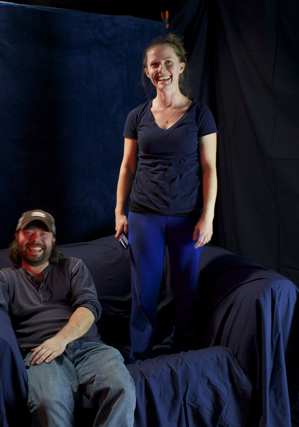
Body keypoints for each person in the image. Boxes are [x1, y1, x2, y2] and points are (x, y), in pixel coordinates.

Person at [0, 209, 135, 427]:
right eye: (28, 232)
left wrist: (60, 340)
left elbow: (88, 308)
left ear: (53, 240)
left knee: (121, 389)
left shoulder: (73, 267)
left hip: (89, 348)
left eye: (43, 233)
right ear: (17, 238)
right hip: (41, 355)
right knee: (48, 403)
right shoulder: (6, 278)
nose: (35, 239)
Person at [114, 34, 218, 362]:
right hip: (144, 214)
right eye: (154, 64)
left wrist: (208, 216)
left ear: (181, 67)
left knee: (186, 292)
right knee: (143, 294)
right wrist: (119, 212)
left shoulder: (200, 115)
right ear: (147, 72)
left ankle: (181, 356)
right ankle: (141, 360)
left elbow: (210, 168)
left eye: (168, 62)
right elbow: (127, 166)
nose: (162, 69)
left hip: (187, 216)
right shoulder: (137, 116)